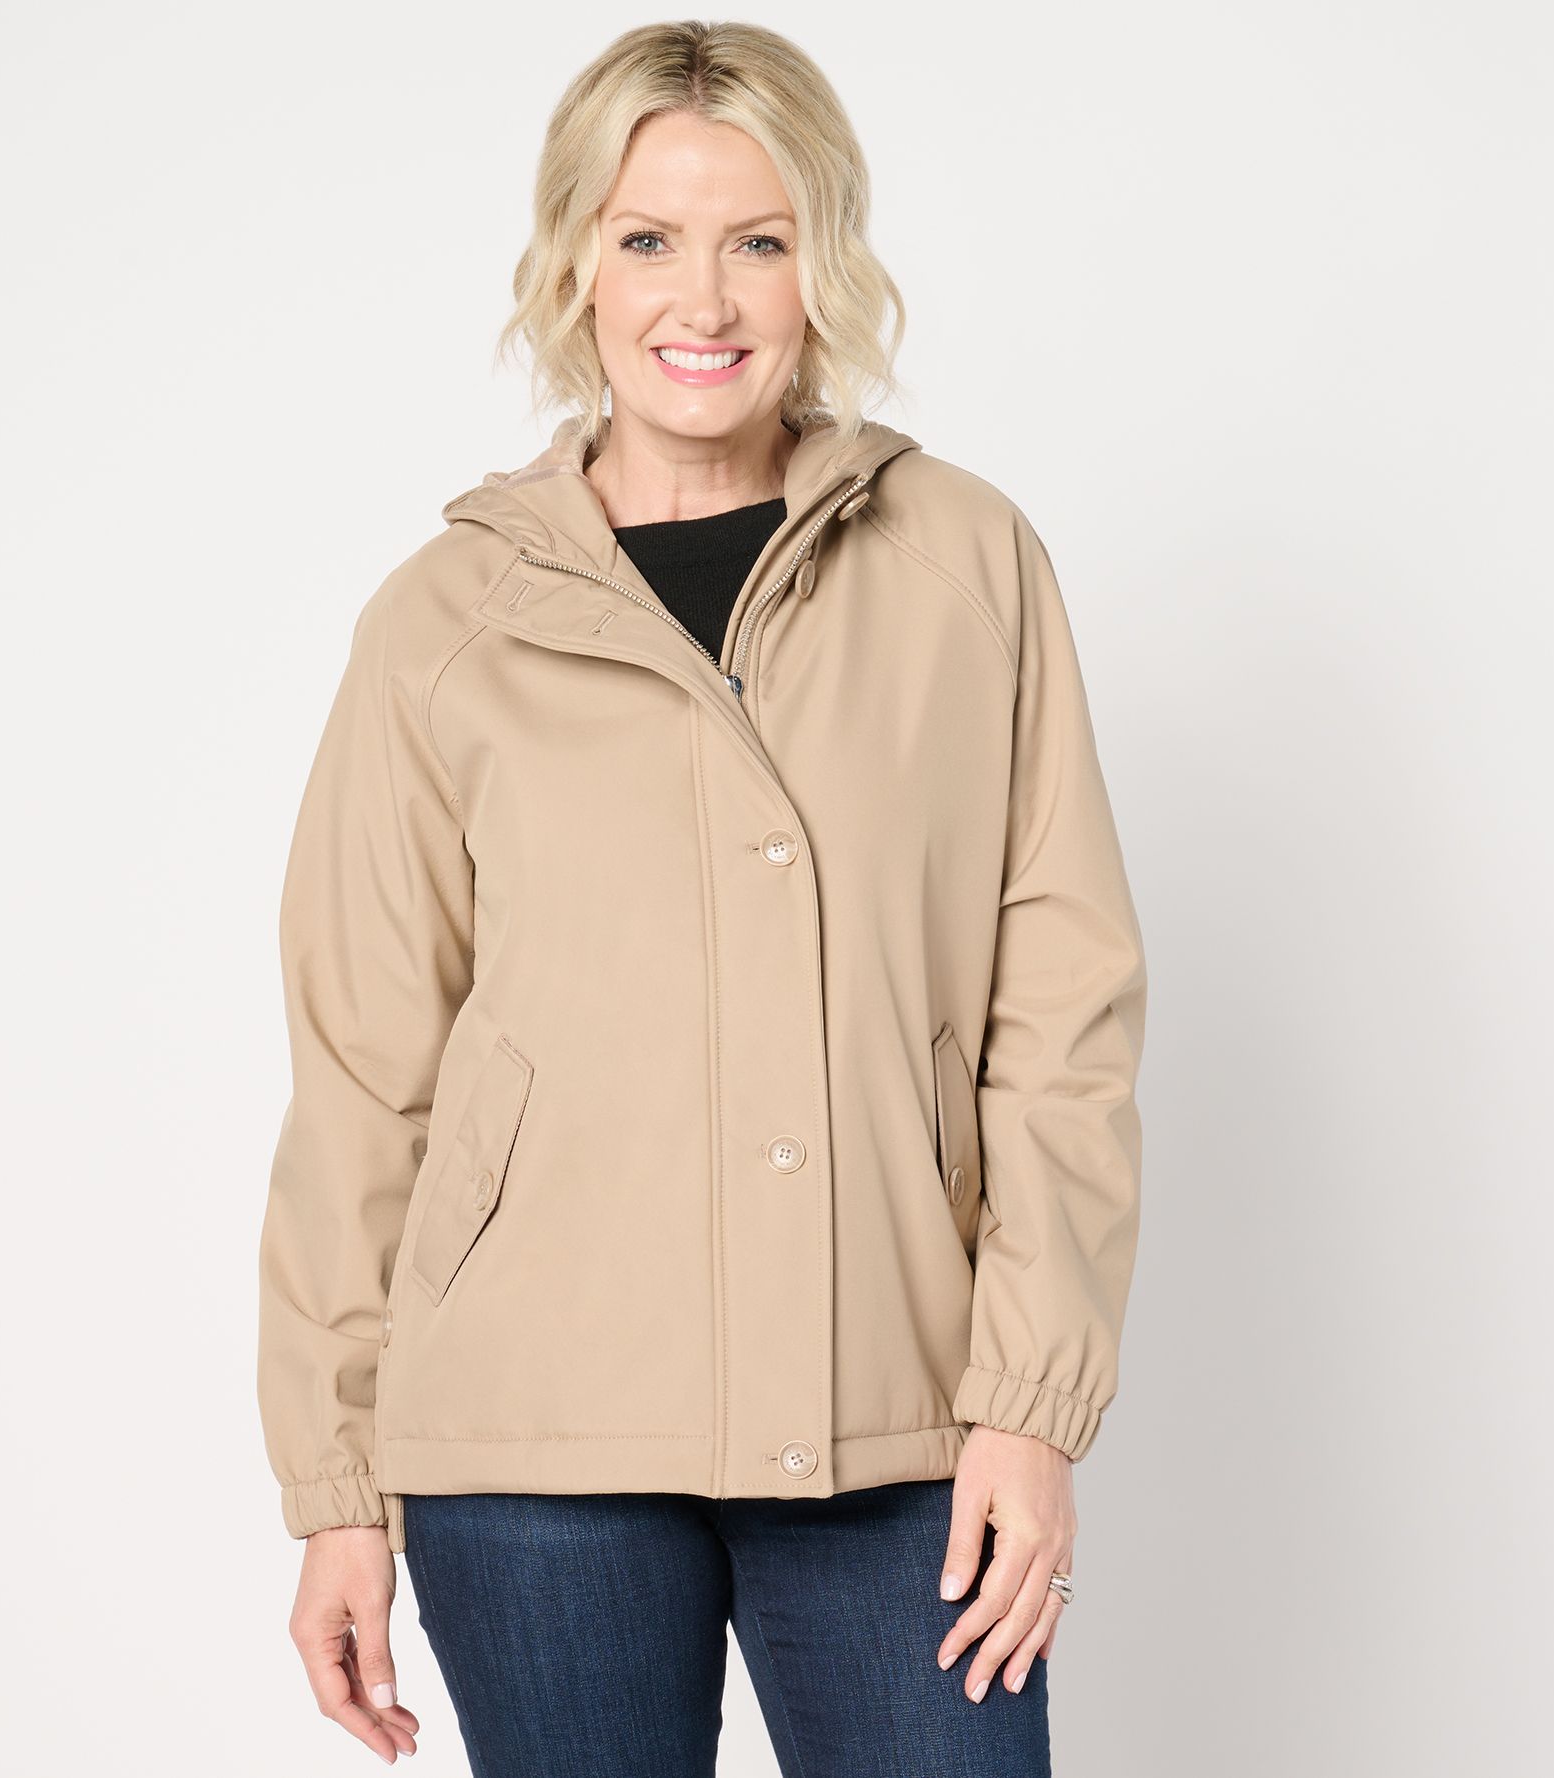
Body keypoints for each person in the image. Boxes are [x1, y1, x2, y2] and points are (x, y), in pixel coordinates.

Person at [256, 20, 1148, 1775]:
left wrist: (1031, 1406)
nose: (706, 298)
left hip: (905, 1426)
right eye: (649, 237)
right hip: (531, 1446)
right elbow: (363, 1074)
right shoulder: (445, 623)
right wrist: (337, 1484)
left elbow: (1064, 1018)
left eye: (760, 239)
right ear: (575, 262)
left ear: (826, 263)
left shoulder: (965, 565)